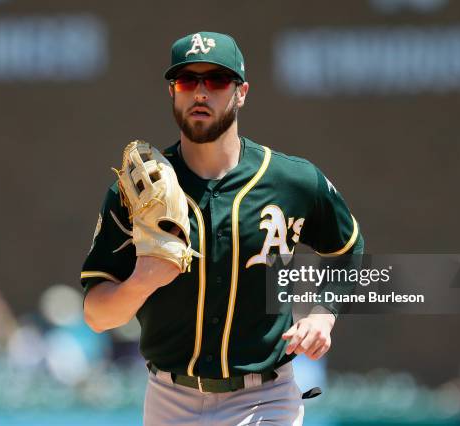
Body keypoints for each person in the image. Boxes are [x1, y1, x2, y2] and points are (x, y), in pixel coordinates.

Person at [81, 31, 364, 426]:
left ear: (242, 92)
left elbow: (349, 249)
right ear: (172, 92)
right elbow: (97, 315)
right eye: (186, 81)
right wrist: (141, 282)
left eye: (215, 80)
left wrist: (323, 314)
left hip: (267, 396)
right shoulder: (136, 191)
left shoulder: (293, 181)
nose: (200, 92)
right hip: (169, 399)